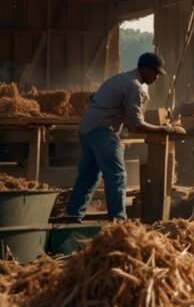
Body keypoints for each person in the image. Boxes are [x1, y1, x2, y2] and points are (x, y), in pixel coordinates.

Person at [63, 52, 180, 221]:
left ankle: (71, 216)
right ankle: (118, 221)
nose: (157, 77)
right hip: (102, 129)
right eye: (155, 73)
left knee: (89, 175)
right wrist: (162, 129)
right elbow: (136, 124)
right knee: (117, 176)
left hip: (87, 127)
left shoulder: (124, 79)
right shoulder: (135, 86)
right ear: (145, 69)